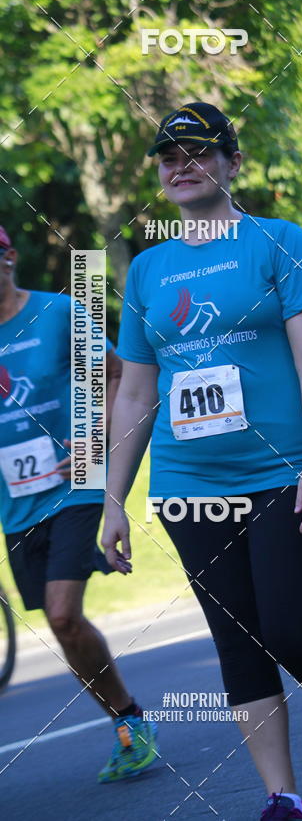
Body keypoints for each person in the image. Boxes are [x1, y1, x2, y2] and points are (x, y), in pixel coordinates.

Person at [101, 102, 302, 820]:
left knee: (294, 632)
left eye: (198, 153)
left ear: (232, 163)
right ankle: (283, 797)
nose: (181, 167)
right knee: (238, 644)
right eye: (168, 157)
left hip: (283, 473)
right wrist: (113, 498)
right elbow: (137, 391)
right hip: (188, 483)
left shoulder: (279, 242)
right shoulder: (147, 270)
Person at [0, 227, 158, 782]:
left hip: (76, 482)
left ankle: (130, 726)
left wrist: (96, 438)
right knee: (62, 626)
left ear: (9, 257)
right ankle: (126, 718)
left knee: (64, 612)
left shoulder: (58, 313)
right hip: (16, 502)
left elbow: (117, 374)